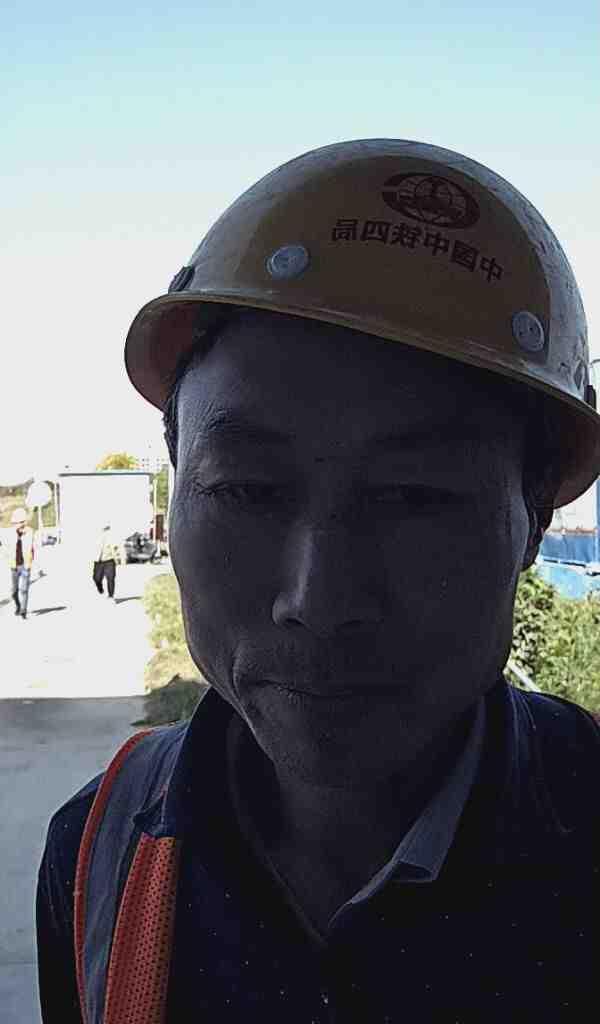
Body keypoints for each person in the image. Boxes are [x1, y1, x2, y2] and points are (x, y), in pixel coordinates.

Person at [37, 140, 599, 1023]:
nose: (320, 598)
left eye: (415, 497)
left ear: (533, 517)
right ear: (177, 479)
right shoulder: (96, 857)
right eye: (247, 490)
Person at [3, 507, 36, 619]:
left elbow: (29, 544)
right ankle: (18, 606)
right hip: (14, 566)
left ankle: (23, 610)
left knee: (24, 590)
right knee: (14, 592)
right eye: (15, 523)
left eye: (19, 522)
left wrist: (21, 535)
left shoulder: (30, 532)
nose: (16, 525)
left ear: (23, 522)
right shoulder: (10, 533)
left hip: (25, 565)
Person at [92, 523, 119, 600]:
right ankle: (100, 589)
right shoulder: (95, 535)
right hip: (98, 561)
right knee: (97, 578)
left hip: (109, 560)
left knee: (110, 578)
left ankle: (111, 596)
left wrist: (117, 558)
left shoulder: (112, 535)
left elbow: (116, 547)